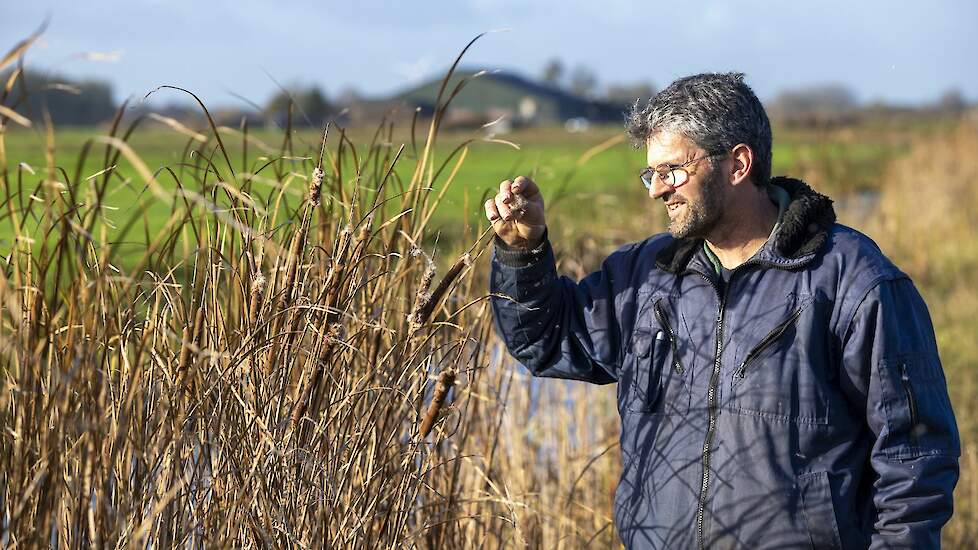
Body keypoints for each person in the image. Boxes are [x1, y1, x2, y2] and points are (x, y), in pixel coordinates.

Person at [484, 73, 959, 549]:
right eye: (651, 173)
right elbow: (545, 342)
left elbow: (914, 457)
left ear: (737, 165)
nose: (655, 190)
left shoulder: (854, 280)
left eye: (671, 171)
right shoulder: (644, 275)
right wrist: (522, 255)